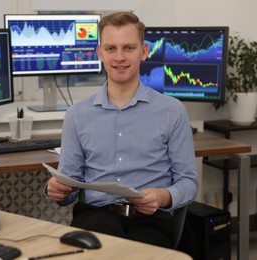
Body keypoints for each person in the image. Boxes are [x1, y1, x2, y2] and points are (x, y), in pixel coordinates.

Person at [45, 11, 198, 248]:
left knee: (130, 249)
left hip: (151, 221)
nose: (119, 57)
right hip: (95, 217)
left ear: (144, 51)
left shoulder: (172, 111)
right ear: (99, 53)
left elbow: (188, 182)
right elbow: (70, 181)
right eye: (111, 48)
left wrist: (162, 196)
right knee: (102, 235)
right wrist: (59, 190)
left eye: (128, 48)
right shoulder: (77, 114)